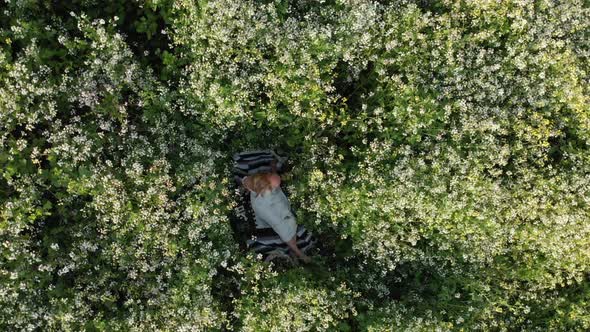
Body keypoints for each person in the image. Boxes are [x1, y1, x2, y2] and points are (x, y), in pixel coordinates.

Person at [242, 171, 312, 264]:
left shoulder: (261, 178)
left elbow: (245, 180)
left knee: (291, 222)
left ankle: (293, 247)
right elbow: (276, 222)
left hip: (271, 199)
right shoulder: (262, 205)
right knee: (286, 233)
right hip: (273, 216)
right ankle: (296, 251)